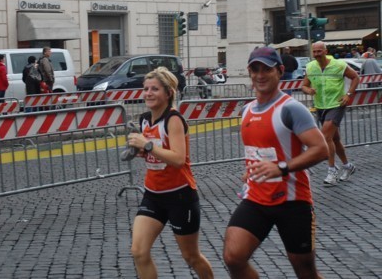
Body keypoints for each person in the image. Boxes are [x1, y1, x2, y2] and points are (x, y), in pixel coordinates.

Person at [223, 47, 328, 279]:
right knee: (233, 257)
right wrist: (251, 170)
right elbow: (260, 149)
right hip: (256, 198)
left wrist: (280, 167)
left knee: (305, 272)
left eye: (267, 69)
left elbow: (321, 150)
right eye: (255, 69)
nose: (260, 75)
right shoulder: (247, 110)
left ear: (280, 71)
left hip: (293, 202)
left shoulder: (291, 109)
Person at [126, 67, 214, 279]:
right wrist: (142, 152)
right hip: (153, 194)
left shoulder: (174, 120)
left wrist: (147, 146)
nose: (148, 93)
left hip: (180, 196)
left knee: (191, 256)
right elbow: (156, 153)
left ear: (168, 93)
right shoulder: (145, 119)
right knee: (138, 251)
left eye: (154, 89)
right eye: (146, 89)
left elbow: (177, 159)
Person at [301, 41, 359, 186]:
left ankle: (331, 170)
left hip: (336, 104)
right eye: (314, 52)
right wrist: (308, 91)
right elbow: (304, 85)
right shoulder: (310, 67)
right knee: (335, 139)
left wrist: (348, 94)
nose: (316, 54)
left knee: (325, 136)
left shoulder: (338, 65)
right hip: (320, 106)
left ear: (325, 51)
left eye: (319, 51)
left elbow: (355, 77)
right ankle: (347, 166)